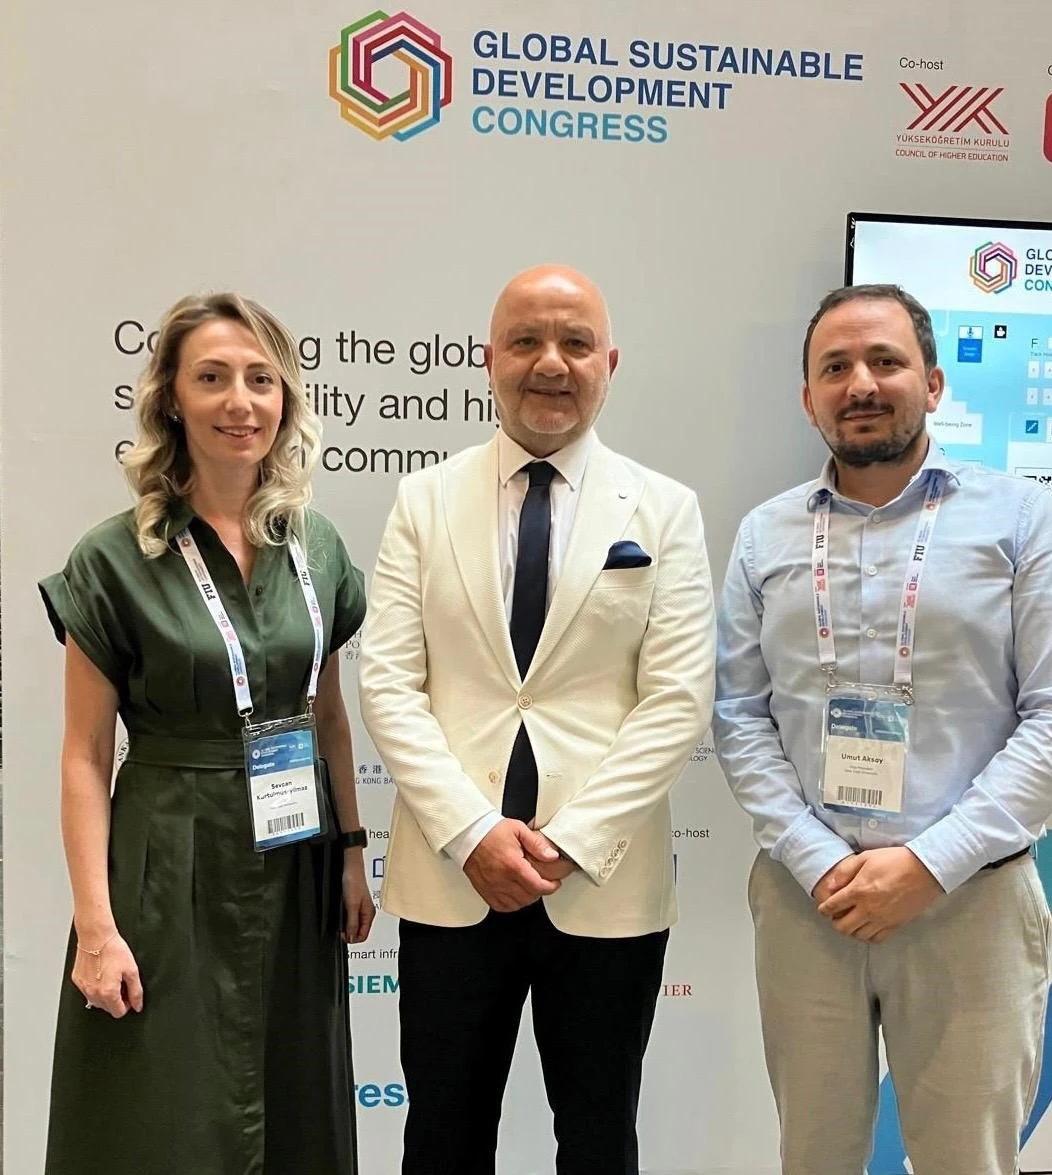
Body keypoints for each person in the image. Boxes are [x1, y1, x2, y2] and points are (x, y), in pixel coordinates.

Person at [712, 283, 1052, 1175]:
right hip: (809, 901)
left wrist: (928, 864)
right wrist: (817, 859)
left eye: (883, 361)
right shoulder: (764, 534)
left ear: (931, 382)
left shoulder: (1022, 519)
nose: (860, 383)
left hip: (969, 900)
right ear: (807, 397)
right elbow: (738, 715)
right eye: (834, 367)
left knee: (967, 1160)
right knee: (813, 1157)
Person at [358, 264, 716, 1174]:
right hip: (452, 876)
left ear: (609, 363)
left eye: (575, 343)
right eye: (526, 341)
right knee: (441, 1138)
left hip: (602, 883)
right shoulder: (423, 500)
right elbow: (390, 683)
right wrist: (473, 832)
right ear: (489, 359)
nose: (550, 363)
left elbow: (676, 698)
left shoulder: (664, 510)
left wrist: (570, 841)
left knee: (598, 1140)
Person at [38, 292, 375, 1174]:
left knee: (292, 1100)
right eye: (213, 378)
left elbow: (328, 714)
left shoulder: (316, 546)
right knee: (164, 1110)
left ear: (285, 398)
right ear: (172, 400)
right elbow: (83, 754)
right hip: (167, 858)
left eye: (261, 379)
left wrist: (350, 852)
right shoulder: (112, 557)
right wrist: (96, 926)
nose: (240, 401)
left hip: (294, 857)